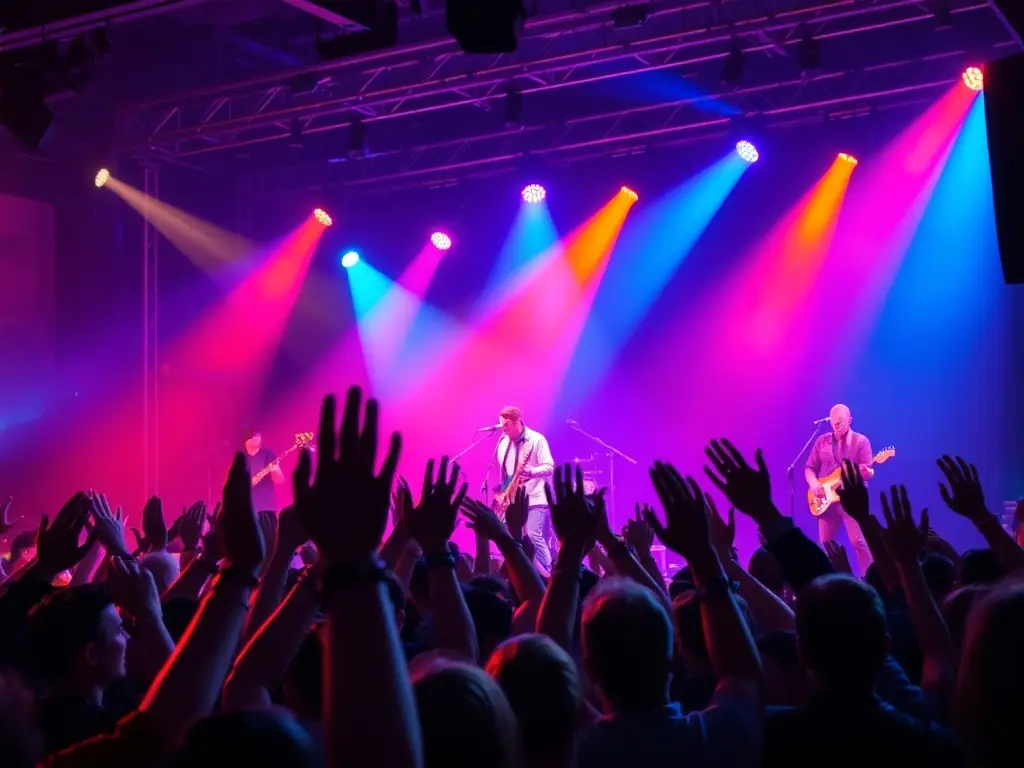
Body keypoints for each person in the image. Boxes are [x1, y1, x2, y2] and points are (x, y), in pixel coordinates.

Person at [805, 403, 873, 573]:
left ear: (850, 420)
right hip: (826, 500)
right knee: (826, 545)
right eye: (834, 423)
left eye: (840, 422)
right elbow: (809, 469)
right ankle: (834, 583)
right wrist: (814, 484)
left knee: (858, 542)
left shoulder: (861, 441)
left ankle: (871, 579)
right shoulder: (822, 441)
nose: (837, 425)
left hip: (850, 499)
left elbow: (868, 471)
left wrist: (866, 473)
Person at [494, 406, 555, 573]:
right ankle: (522, 572)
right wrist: (502, 494)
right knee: (508, 537)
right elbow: (506, 474)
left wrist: (531, 471)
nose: (503, 430)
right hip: (512, 499)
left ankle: (550, 571)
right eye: (501, 426)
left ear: (517, 422)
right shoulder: (503, 443)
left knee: (533, 535)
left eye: (506, 425)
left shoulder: (536, 440)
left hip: (534, 496)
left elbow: (549, 466)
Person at [243, 429, 284, 513]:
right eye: (253, 436)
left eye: (257, 436)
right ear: (246, 441)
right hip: (244, 508)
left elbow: (280, 480)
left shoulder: (268, 454)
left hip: (266, 508)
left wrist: (277, 471)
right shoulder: (240, 458)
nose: (256, 438)